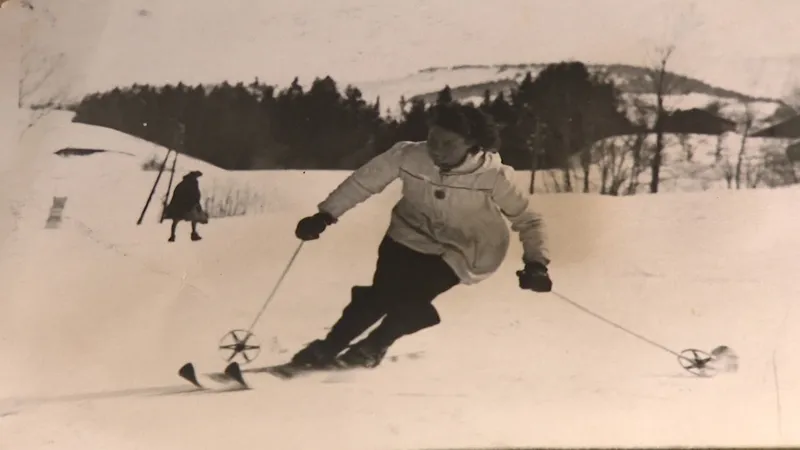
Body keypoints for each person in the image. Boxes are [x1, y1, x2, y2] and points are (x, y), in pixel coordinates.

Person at [291, 102, 553, 369]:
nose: (436, 149)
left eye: (447, 143)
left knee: (410, 298)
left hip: (464, 249)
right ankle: (327, 348)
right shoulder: (407, 155)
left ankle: (373, 346)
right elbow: (363, 182)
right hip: (408, 232)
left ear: (472, 143)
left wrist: (536, 264)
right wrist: (325, 215)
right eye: (432, 140)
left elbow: (529, 219)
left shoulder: (495, 177)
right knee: (378, 295)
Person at [164, 170, 207, 242]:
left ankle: (172, 236)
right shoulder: (192, 183)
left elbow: (176, 195)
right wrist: (196, 203)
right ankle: (193, 234)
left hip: (179, 205)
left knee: (176, 220)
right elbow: (195, 195)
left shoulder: (182, 183)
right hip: (187, 205)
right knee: (194, 218)